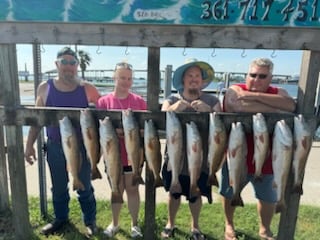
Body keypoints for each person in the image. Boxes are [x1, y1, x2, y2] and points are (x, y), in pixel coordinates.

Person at [24, 47, 100, 238]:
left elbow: (105, 114)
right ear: (56, 64)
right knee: (58, 186)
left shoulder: (88, 89)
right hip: (55, 145)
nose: (68, 66)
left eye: (72, 62)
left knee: (84, 186)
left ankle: (90, 221)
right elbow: (36, 119)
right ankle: (60, 218)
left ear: (77, 66)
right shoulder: (45, 88)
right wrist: (29, 144)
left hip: (82, 146)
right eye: (64, 62)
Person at [221, 58, 296, 240]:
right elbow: (235, 105)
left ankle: (264, 228)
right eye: (252, 75)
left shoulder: (281, 91)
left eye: (262, 76)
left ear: (271, 78)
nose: (256, 80)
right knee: (229, 192)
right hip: (235, 156)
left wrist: (253, 97)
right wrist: (273, 106)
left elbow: (291, 106)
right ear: (247, 75)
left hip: (270, 159)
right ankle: (229, 224)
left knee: (268, 198)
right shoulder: (235, 89)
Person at [161, 59, 221, 240]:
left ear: (202, 80)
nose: (194, 79)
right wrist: (173, 109)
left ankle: (195, 227)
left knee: (196, 195)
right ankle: (170, 223)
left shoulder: (212, 100)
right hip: (175, 157)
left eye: (197, 76)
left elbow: (221, 123)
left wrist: (209, 110)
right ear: (183, 80)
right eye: (190, 76)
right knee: (174, 191)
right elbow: (161, 117)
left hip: (201, 159)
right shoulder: (171, 99)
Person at [96, 62, 147, 238]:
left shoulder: (139, 102)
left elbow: (147, 130)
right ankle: (115, 223)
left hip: (133, 156)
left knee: (133, 190)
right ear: (114, 78)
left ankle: (135, 224)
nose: (126, 81)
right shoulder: (103, 102)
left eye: (129, 78)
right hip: (112, 156)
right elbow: (97, 129)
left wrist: (132, 132)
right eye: (122, 77)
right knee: (116, 188)